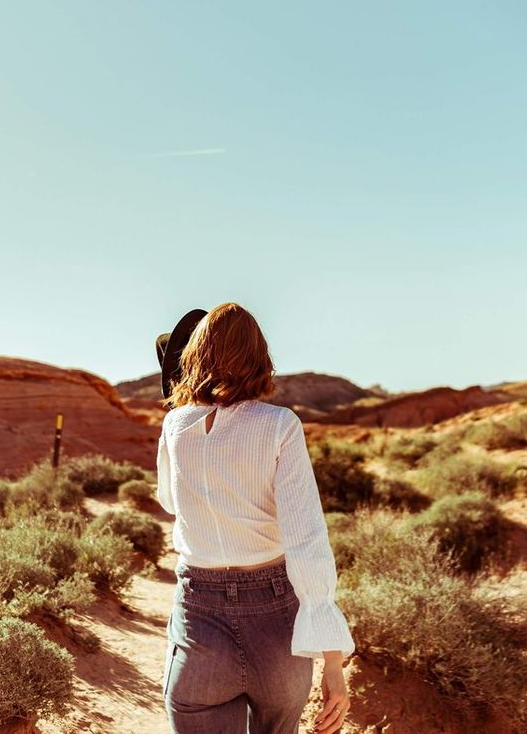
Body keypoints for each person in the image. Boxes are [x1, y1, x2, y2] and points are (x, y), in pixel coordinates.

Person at [155, 303, 354, 734]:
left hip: (199, 619)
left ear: (195, 357)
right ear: (260, 358)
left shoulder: (174, 425)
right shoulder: (280, 424)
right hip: (276, 622)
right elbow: (307, 539)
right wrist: (333, 664)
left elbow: (169, 501)